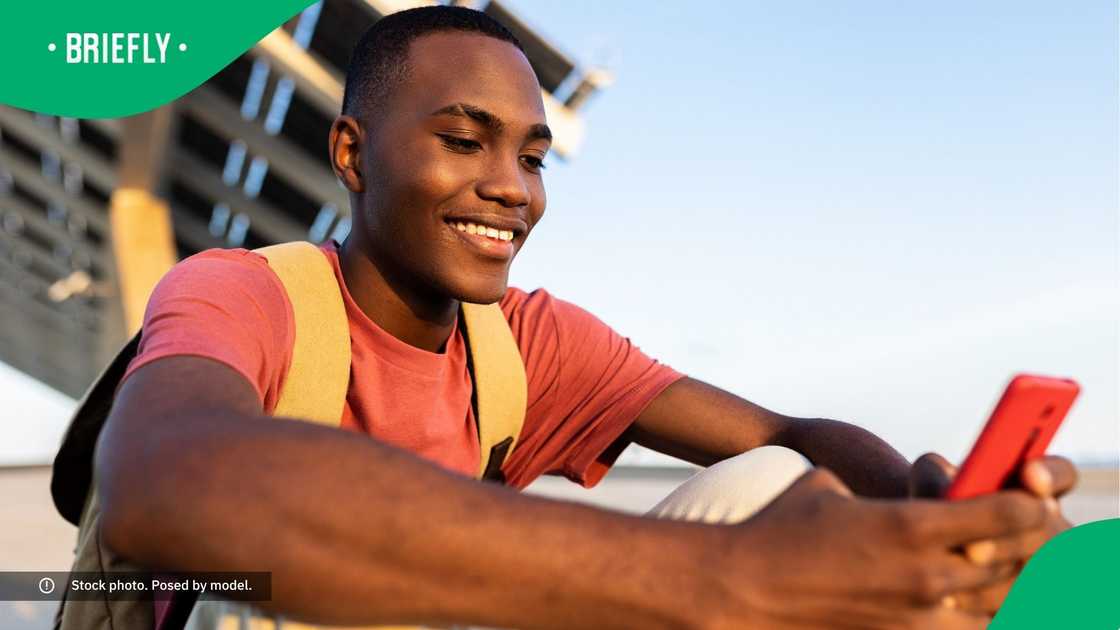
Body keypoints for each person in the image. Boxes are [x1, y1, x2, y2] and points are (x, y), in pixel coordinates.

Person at [95, 6, 1076, 629]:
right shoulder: (244, 292)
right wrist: (720, 580)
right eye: (460, 140)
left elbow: (782, 435)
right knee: (249, 611)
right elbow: (161, 481)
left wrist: (928, 509)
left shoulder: (527, 343)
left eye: (528, 157)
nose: (508, 190)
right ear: (351, 155)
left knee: (780, 485)